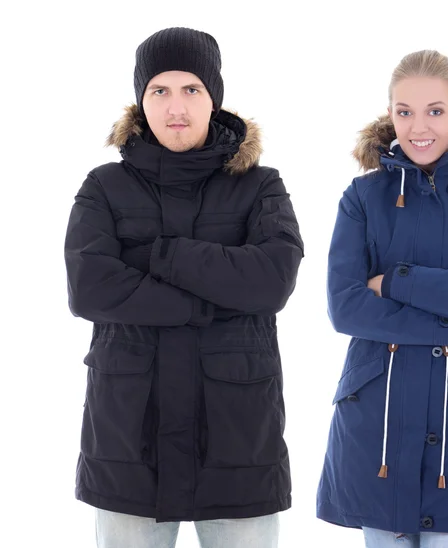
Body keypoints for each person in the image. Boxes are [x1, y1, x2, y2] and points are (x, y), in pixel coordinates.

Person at [64, 27, 303, 548]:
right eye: (160, 90)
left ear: (213, 97)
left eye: (191, 89)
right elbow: (89, 287)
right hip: (130, 444)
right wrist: (212, 299)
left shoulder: (261, 185)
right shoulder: (104, 186)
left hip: (238, 447)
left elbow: (273, 280)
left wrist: (158, 255)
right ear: (140, 100)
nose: (176, 107)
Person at [316, 50, 448, 547]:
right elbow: (345, 306)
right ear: (389, 114)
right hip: (377, 424)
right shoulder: (363, 196)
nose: (419, 127)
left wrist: (393, 282)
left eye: (435, 111)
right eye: (404, 111)